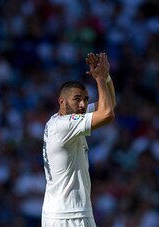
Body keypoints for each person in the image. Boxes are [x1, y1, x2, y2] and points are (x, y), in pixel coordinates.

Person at [41, 52, 116, 227]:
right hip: (68, 215)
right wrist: (99, 79)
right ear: (62, 102)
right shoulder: (65, 125)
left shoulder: (61, 120)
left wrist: (106, 78)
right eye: (77, 99)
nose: (82, 104)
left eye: (85, 99)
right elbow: (107, 114)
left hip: (64, 212)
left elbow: (109, 104)